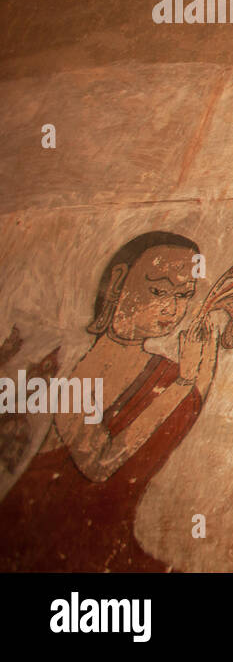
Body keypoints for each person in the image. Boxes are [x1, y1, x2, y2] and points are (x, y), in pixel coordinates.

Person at [0, 231, 216, 570]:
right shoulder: (75, 363)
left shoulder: (166, 369)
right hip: (44, 542)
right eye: (158, 290)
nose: (172, 308)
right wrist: (185, 382)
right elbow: (98, 463)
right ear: (118, 281)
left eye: (184, 295)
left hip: (109, 541)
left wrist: (193, 379)